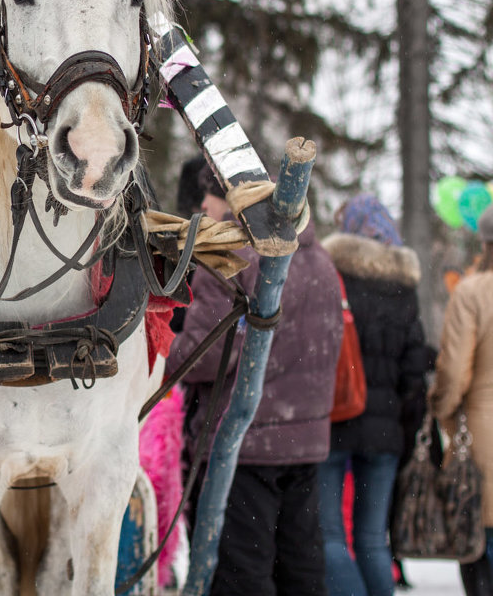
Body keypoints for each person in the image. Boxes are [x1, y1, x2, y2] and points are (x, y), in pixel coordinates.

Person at [166, 165, 343, 596]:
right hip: (304, 442)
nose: (201, 210)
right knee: (300, 572)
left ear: (226, 200)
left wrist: (159, 358)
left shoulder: (230, 257)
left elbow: (203, 356)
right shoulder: (321, 261)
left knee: (241, 575)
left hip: (242, 448)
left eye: (206, 199)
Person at [319, 194, 429, 596]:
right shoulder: (404, 286)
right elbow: (415, 370)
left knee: (329, 533)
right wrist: (402, 423)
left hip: (334, 420)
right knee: (371, 537)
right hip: (385, 433)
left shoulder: (334, 274)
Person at [430, 204, 493, 595]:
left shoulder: (472, 291)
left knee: (480, 553)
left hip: (484, 442)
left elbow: (453, 373)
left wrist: (440, 409)